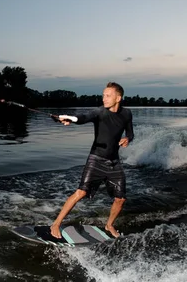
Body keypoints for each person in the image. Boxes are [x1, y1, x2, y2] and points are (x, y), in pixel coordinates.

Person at [51, 82, 134, 239]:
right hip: (96, 159)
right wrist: (70, 118)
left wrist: (127, 139)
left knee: (120, 198)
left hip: (114, 162)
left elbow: (130, 133)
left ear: (118, 98)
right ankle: (55, 224)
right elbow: (83, 117)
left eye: (108, 95)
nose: (104, 98)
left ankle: (109, 225)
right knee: (81, 192)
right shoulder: (99, 112)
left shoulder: (127, 114)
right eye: (103, 95)